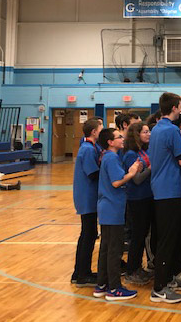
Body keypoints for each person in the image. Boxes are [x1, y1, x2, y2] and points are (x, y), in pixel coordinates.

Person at [93, 127, 142, 301]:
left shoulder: (108, 157)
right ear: (110, 142)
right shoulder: (112, 158)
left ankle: (102, 284)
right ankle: (114, 288)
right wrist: (132, 172)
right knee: (114, 250)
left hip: (107, 208)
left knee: (106, 248)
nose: (122, 139)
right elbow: (116, 182)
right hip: (112, 209)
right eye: (118, 137)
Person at [148, 92, 181, 304]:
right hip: (169, 191)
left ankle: (168, 278)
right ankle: (159, 288)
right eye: (180, 106)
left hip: (160, 190)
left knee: (167, 237)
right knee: (167, 240)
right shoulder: (171, 130)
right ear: (174, 108)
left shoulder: (156, 130)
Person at [71, 118, 103, 287]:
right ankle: (83, 274)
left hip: (87, 197)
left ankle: (79, 272)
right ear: (94, 132)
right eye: (101, 128)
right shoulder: (88, 150)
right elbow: (93, 174)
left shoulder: (90, 147)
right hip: (87, 198)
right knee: (88, 235)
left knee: (87, 234)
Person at [122, 122, 153, 285]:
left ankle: (137, 268)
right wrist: (151, 167)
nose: (148, 134)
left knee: (142, 235)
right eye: (145, 132)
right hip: (137, 199)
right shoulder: (130, 155)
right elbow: (137, 179)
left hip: (146, 197)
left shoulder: (143, 151)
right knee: (137, 236)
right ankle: (131, 270)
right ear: (136, 134)